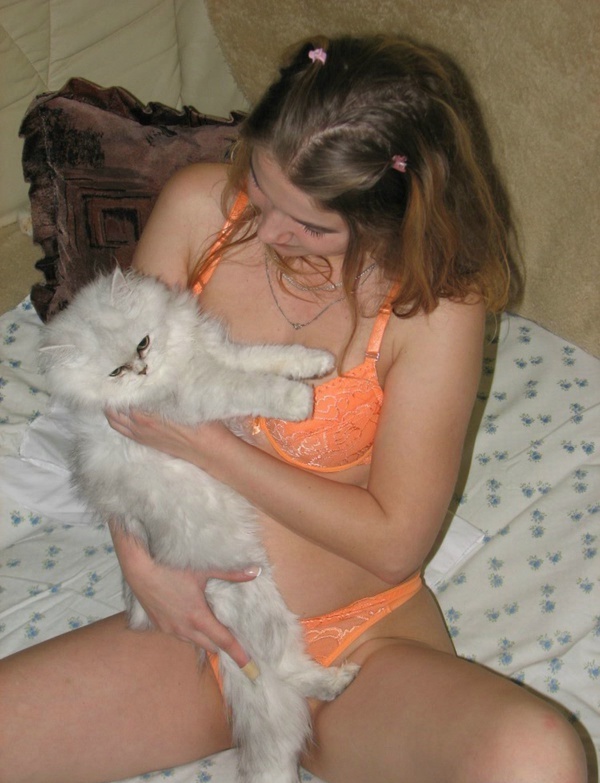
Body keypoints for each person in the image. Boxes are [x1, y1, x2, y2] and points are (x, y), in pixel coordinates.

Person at [0, 35, 587, 783]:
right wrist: (142, 568)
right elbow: (115, 405)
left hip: (357, 646)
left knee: (539, 755)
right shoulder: (200, 210)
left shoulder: (434, 307)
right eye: (262, 186)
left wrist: (209, 447)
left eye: (311, 226)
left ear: (390, 217)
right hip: (201, 629)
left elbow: (394, 541)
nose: (271, 230)